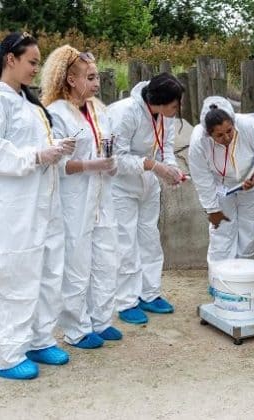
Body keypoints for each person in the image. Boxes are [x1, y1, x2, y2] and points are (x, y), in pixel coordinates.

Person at [0, 32, 74, 380]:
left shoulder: (26, 102)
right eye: (32, 62)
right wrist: (36, 155)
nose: (36, 70)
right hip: (15, 207)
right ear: (10, 59)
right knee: (17, 279)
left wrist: (54, 147)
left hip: (43, 202)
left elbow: (29, 143)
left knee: (48, 273)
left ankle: (39, 338)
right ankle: (7, 355)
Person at [40, 46, 122, 350]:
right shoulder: (57, 113)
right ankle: (76, 328)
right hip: (75, 199)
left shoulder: (99, 110)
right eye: (90, 77)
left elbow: (109, 146)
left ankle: (101, 319)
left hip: (102, 197)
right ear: (71, 79)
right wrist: (89, 165)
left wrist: (108, 163)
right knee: (76, 262)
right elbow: (57, 163)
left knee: (105, 258)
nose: (96, 82)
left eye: (97, 76)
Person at [106, 73, 186, 324]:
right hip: (121, 186)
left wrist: (171, 170)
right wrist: (153, 166)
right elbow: (115, 159)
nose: (177, 109)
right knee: (125, 242)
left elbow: (166, 148)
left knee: (150, 238)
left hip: (149, 184)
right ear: (160, 101)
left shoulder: (165, 116)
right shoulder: (125, 113)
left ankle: (149, 293)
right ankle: (126, 301)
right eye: (174, 104)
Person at [188, 96, 254, 264]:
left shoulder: (249, 125)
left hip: (251, 183)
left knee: (248, 230)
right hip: (220, 185)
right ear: (209, 134)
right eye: (219, 135)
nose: (227, 137)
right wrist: (212, 208)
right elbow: (201, 178)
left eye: (229, 131)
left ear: (233, 123)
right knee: (221, 231)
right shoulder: (198, 141)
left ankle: (241, 279)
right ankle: (219, 279)